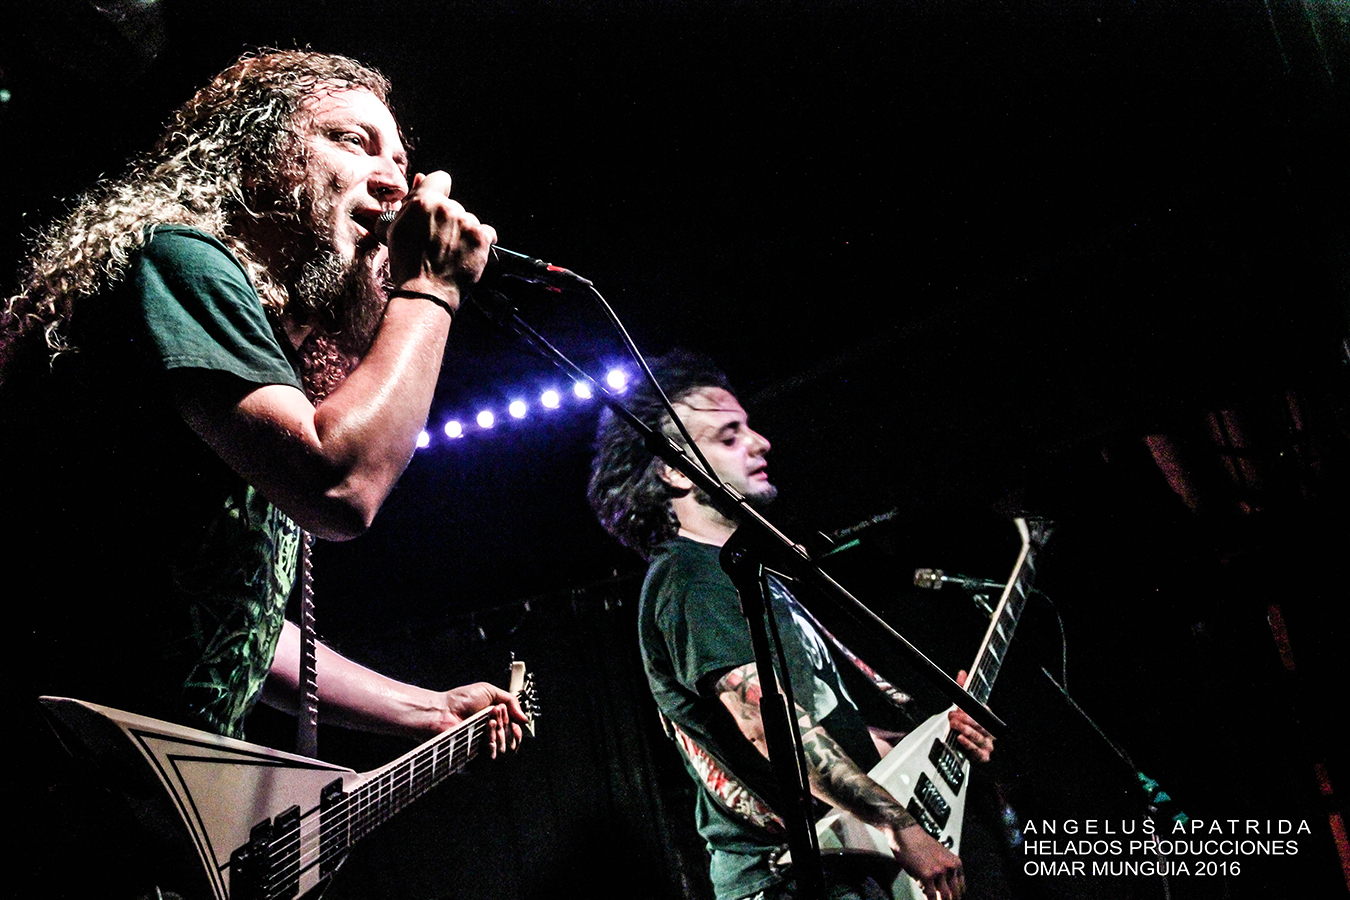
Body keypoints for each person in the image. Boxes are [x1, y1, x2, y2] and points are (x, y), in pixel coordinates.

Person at [0, 50, 525, 894]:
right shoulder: (180, 260)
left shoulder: (261, 363)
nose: (396, 181)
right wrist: (431, 289)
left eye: (400, 158)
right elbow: (340, 486)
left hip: (128, 822)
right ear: (256, 155)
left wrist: (424, 708)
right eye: (352, 141)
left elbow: (233, 627)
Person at [588, 351, 994, 900]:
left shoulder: (743, 574)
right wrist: (901, 826)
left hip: (838, 868)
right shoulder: (690, 579)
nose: (760, 443)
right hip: (788, 881)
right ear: (676, 470)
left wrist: (935, 739)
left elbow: (827, 730)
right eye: (729, 436)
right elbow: (776, 731)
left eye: (747, 427)